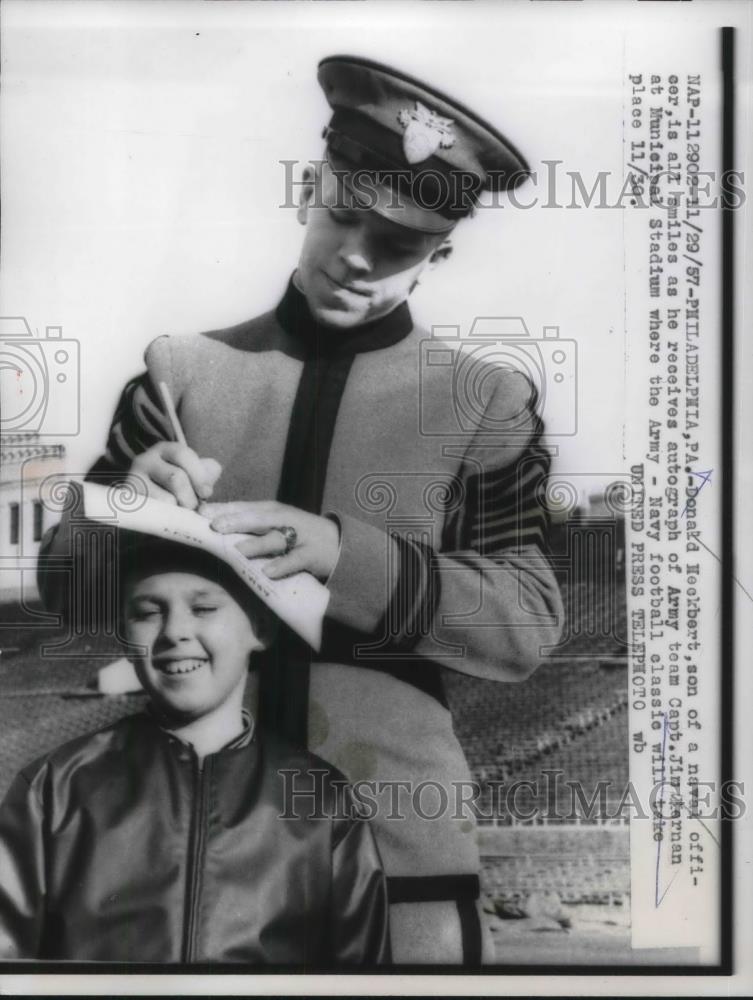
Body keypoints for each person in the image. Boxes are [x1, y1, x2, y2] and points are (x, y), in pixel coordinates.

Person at [39, 55, 564, 963]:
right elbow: (69, 594)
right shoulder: (179, 370)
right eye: (342, 215)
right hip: (189, 850)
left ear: (441, 249)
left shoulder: (484, 401)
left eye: (397, 242)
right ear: (311, 193)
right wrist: (118, 506)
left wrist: (337, 551)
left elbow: (522, 627)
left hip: (396, 854)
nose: (356, 256)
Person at [3, 502, 390, 964]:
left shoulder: (322, 801)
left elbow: (364, 977)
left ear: (261, 628)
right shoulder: (57, 788)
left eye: (204, 607)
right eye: (148, 612)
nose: (176, 632)